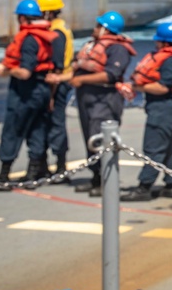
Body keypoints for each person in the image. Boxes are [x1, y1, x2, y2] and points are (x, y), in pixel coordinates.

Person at [0, 0, 56, 184]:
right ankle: (34, 174)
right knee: (37, 131)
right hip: (42, 89)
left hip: (25, 93)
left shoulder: (28, 40)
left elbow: (24, 72)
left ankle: (3, 176)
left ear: (21, 18)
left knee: (13, 131)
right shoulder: (43, 37)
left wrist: (7, 71)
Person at [53, 11, 135, 196]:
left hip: (105, 98)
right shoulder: (91, 46)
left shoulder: (117, 49)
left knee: (101, 139)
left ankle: (106, 181)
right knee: (90, 137)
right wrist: (59, 78)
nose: (95, 29)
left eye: (99, 26)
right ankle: (96, 178)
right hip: (87, 98)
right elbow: (78, 70)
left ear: (107, 30)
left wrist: (82, 81)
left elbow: (111, 74)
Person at [120, 22, 172, 202]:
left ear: (162, 42)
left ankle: (144, 187)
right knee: (168, 147)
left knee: (153, 148)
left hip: (164, 109)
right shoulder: (171, 57)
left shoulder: (169, 61)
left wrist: (137, 87)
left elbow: (163, 88)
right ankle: (171, 184)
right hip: (164, 108)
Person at [36, 0, 73, 179]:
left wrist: (50, 95)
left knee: (56, 123)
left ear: (49, 13)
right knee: (47, 123)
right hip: (56, 83)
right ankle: (46, 165)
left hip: (57, 85)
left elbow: (57, 66)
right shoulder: (58, 29)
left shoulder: (56, 34)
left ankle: (60, 167)